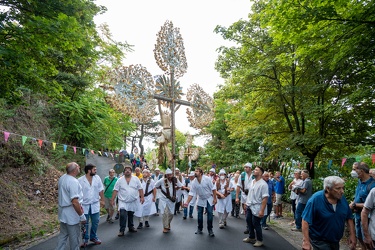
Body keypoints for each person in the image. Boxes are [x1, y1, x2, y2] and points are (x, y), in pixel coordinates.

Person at [302, 176, 356, 250]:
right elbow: (305, 220)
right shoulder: (315, 199)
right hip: (319, 240)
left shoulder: (342, 199)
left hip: (335, 241)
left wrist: (352, 235)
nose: (342, 191)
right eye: (338, 188)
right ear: (328, 189)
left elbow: (349, 217)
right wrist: (306, 241)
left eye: (343, 188)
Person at [56, 162, 86, 250]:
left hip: (63, 211)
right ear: (74, 170)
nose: (79, 168)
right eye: (78, 166)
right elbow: (75, 202)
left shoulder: (62, 178)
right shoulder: (73, 181)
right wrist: (81, 216)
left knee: (63, 236)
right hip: (71, 213)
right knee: (74, 238)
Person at [111, 165, 144, 236]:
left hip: (133, 200)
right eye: (126, 170)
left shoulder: (136, 179)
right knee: (122, 214)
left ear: (131, 171)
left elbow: (140, 188)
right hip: (123, 201)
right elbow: (115, 190)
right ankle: (122, 230)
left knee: (130, 214)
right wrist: (112, 199)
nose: (127, 171)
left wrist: (142, 197)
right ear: (124, 172)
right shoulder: (120, 180)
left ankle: (131, 227)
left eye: (129, 170)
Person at [184, 167, 217, 237]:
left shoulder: (207, 179)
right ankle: (199, 228)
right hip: (201, 199)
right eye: (195, 171)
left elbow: (213, 189)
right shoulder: (194, 182)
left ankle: (210, 229)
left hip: (209, 198)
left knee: (210, 214)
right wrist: (187, 202)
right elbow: (191, 193)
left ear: (201, 173)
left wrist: (215, 198)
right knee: (199, 214)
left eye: (197, 171)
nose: (195, 172)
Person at [349, 162, 375, 250]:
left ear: (362, 171)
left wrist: (355, 205)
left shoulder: (372, 185)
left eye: (354, 169)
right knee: (359, 236)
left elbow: (370, 204)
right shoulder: (360, 182)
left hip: (367, 218)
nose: (352, 172)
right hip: (357, 215)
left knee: (368, 240)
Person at [78, 164, 105, 247]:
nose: (96, 171)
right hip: (84, 205)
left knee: (95, 222)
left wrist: (103, 200)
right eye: (94, 169)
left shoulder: (97, 178)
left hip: (95, 203)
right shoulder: (80, 180)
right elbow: (77, 193)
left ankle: (93, 237)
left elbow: (100, 190)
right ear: (89, 171)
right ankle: (85, 240)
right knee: (84, 223)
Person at [242, 166, 269, 247]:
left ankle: (260, 240)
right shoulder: (253, 181)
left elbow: (265, 198)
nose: (254, 170)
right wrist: (246, 203)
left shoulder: (263, 184)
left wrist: (262, 210)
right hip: (250, 205)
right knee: (248, 220)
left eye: (256, 170)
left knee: (256, 223)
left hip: (258, 206)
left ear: (260, 173)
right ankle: (251, 237)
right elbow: (249, 193)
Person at [154, 168, 182, 233]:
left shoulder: (175, 180)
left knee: (171, 214)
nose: (169, 176)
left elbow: (180, 185)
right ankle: (165, 227)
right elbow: (156, 185)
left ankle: (167, 223)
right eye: (168, 175)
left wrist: (176, 188)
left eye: (170, 175)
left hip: (172, 200)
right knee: (165, 213)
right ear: (166, 175)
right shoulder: (162, 180)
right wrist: (161, 191)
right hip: (164, 199)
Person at [236, 162, 253, 234]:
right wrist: (237, 197)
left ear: (250, 168)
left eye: (247, 167)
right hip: (244, 194)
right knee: (246, 210)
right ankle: (248, 226)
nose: (245, 168)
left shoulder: (254, 176)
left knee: (252, 211)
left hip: (252, 195)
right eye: (245, 167)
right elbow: (238, 186)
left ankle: (251, 226)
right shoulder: (242, 175)